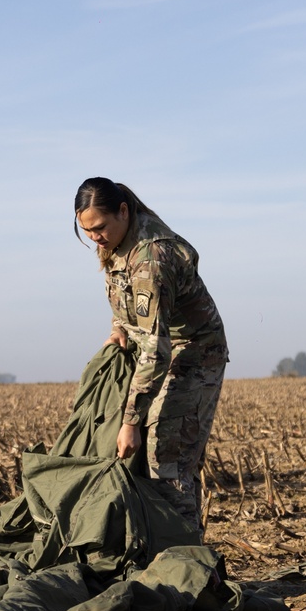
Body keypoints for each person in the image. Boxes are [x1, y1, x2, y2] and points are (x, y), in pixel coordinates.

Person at [73, 177, 228, 532]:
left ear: (123, 212)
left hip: (192, 354)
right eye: (87, 231)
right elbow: (123, 298)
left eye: (99, 228)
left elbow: (158, 348)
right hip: (156, 349)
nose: (95, 238)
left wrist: (131, 423)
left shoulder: (152, 259)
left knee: (166, 459)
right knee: (156, 457)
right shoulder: (116, 240)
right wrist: (118, 329)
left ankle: (185, 566)